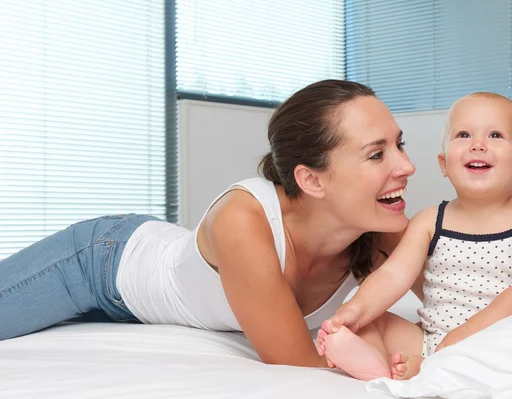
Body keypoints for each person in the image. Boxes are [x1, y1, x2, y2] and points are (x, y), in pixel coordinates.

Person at [0, 79, 418, 368]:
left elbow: (464, 305)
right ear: (310, 179)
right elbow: (296, 363)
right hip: (99, 265)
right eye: (376, 154)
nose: (407, 166)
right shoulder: (243, 219)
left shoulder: (387, 229)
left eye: (399, 144)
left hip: (151, 304)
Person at [316, 92, 512, 381]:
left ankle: (428, 368)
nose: (477, 145)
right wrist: (353, 311)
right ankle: (382, 368)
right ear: (443, 164)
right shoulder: (430, 220)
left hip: (498, 339)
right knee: (370, 322)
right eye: (464, 134)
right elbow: (393, 274)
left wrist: (462, 336)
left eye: (495, 135)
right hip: (432, 339)